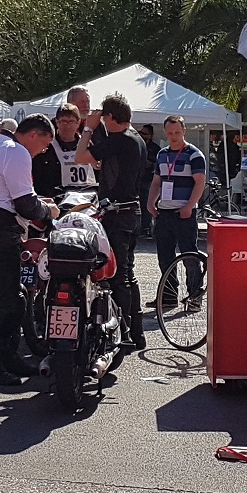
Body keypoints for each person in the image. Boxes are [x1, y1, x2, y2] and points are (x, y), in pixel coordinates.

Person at [0, 113, 59, 386]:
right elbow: (24, 205)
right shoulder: (17, 152)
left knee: (15, 298)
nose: (43, 151)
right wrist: (49, 210)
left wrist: (37, 202)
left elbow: (7, 192)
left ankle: (7, 358)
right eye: (44, 144)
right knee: (10, 301)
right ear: (33, 134)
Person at [86, 94, 147, 349]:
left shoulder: (120, 141)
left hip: (118, 212)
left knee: (117, 273)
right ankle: (137, 331)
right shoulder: (138, 139)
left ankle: (121, 331)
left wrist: (89, 127)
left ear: (110, 118)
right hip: (132, 211)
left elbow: (82, 155)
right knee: (128, 272)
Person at [148, 113, 207, 308]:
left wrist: (189, 206)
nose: (173, 136)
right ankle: (168, 296)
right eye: (170, 132)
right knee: (164, 257)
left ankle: (195, 296)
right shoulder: (162, 154)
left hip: (184, 214)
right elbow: (157, 181)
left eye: (177, 132)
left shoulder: (194, 154)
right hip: (164, 212)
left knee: (190, 256)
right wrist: (151, 202)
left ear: (184, 131)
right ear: (165, 132)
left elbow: (200, 183)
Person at [33, 103, 96, 195]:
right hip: (57, 197)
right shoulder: (47, 146)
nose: (67, 126)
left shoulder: (87, 144)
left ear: (78, 122)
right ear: (57, 122)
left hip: (86, 197)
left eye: (71, 122)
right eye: (63, 121)